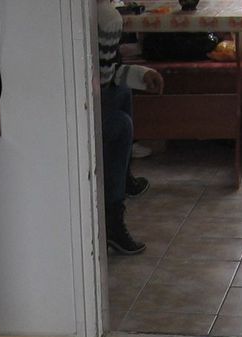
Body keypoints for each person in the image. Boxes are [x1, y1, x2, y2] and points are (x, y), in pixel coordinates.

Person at [97, 1, 162, 255]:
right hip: (71, 108)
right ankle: (113, 218)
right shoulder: (105, 17)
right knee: (121, 125)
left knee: (123, 92)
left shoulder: (100, 13)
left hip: (89, 92)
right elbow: (102, 79)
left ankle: (123, 178)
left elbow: (105, 71)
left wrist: (141, 74)